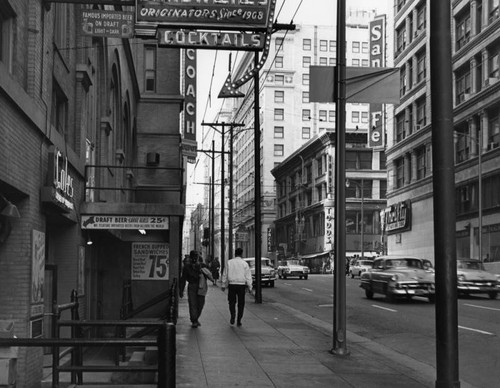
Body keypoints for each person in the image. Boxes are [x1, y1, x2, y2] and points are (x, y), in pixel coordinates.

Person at [221, 247, 253, 327]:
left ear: (235, 254)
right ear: (241, 254)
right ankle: (239, 320)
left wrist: (223, 284)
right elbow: (248, 276)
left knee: (231, 302)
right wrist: (250, 287)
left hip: (232, 284)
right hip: (241, 285)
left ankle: (232, 315)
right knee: (241, 303)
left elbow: (225, 273)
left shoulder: (229, 262)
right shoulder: (244, 264)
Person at [180, 250, 210, 328]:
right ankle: (194, 320)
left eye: (196, 256)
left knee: (200, 303)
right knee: (193, 303)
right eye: (193, 256)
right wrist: (181, 290)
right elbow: (183, 279)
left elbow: (208, 273)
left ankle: (195, 318)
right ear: (191, 257)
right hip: (192, 286)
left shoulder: (201, 265)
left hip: (201, 286)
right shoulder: (187, 267)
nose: (194, 258)